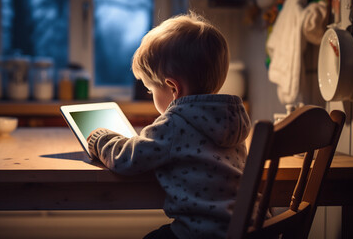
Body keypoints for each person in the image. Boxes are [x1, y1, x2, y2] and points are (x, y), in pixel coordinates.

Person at [87, 12, 251, 239]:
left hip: (202, 233)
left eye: (150, 90)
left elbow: (127, 159)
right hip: (247, 229)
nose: (150, 95)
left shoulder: (175, 123)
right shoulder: (233, 120)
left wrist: (101, 139)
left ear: (173, 88)